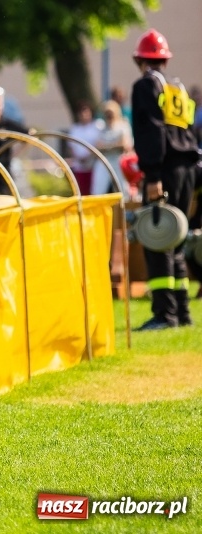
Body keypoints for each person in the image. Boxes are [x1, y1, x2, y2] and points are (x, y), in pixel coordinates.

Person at [130, 28, 199, 330]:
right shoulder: (177, 89)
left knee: (157, 239)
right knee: (177, 239)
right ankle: (181, 312)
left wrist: (152, 175)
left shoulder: (145, 86)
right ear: (165, 61)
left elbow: (151, 132)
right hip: (187, 171)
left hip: (165, 171)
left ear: (140, 61)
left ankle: (164, 314)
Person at [91, 100, 133, 198]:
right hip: (104, 161)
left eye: (111, 113)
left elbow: (124, 145)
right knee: (98, 190)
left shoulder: (123, 126)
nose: (109, 116)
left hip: (119, 161)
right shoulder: (101, 128)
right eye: (107, 113)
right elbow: (97, 147)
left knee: (123, 190)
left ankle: (125, 212)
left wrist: (106, 147)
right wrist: (114, 145)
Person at [67, 101, 102, 195]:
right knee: (82, 193)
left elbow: (99, 144)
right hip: (79, 166)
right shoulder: (75, 129)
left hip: (94, 165)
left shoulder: (97, 127)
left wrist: (89, 155)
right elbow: (71, 146)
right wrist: (79, 157)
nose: (84, 115)